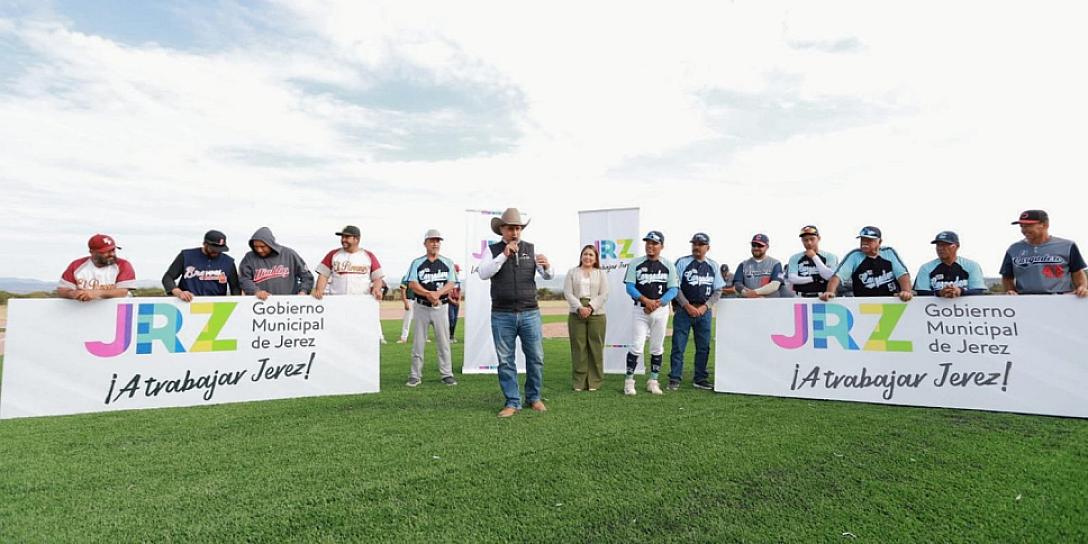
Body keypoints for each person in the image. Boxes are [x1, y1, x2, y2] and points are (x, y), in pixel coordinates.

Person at [477, 208, 553, 417]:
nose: (515, 232)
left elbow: (547, 276)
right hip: (502, 314)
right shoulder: (492, 251)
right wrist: (503, 255)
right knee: (505, 360)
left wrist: (548, 267)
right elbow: (484, 273)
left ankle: (534, 397)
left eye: (518, 228)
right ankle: (512, 401)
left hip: (530, 312)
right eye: (510, 228)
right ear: (502, 229)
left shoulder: (531, 248)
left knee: (536, 357)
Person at [623, 230, 679, 396]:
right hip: (641, 309)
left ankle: (653, 381)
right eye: (648, 242)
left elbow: (674, 289)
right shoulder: (636, 263)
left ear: (662, 246)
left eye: (654, 243)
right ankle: (629, 380)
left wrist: (658, 303)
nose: (650, 246)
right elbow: (629, 286)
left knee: (657, 347)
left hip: (660, 310)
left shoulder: (668, 265)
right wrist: (646, 301)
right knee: (637, 345)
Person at [668, 233, 724, 391]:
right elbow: (675, 286)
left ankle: (700, 378)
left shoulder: (713, 265)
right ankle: (674, 378)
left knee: (704, 346)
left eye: (700, 244)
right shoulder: (682, 262)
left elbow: (718, 290)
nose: (696, 247)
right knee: (678, 345)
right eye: (694, 243)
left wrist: (705, 307)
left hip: (704, 311)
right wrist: (686, 305)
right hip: (684, 310)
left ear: (708, 247)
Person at [312, 225, 387, 343]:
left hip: (361, 302)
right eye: (342, 237)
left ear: (356, 239)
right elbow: (323, 275)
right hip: (337, 302)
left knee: (361, 337)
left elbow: (377, 278)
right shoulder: (333, 254)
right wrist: (319, 290)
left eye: (347, 237)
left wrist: (377, 289)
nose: (343, 240)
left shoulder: (368, 256)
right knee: (337, 336)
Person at [404, 229, 459, 387]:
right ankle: (415, 375)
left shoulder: (447, 262)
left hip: (441, 306)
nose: (435, 243)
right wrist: (429, 294)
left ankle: (447, 374)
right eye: (432, 240)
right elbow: (413, 284)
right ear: (425, 243)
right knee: (418, 343)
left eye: (437, 241)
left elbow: (451, 283)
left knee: (444, 343)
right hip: (422, 306)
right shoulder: (417, 262)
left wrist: (438, 293)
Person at [1001, 210, 1088, 296]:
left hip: (1060, 300)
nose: (1024, 230)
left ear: (1045, 225)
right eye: (1022, 226)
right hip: (1026, 300)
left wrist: (1082, 287)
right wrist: (1011, 291)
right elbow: (1007, 277)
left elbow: (1077, 273)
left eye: (1029, 226)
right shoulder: (1013, 249)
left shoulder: (1067, 246)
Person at [821, 226, 912, 301]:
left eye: (869, 240)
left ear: (879, 242)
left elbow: (903, 275)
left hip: (891, 302)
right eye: (863, 239)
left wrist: (906, 291)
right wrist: (830, 292)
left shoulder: (889, 252)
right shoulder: (854, 256)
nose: (864, 243)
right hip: (864, 304)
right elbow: (837, 277)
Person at [563, 244, 609, 392]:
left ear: (595, 259)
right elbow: (568, 293)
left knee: (596, 348)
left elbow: (604, 294)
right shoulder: (572, 272)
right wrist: (579, 307)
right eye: (585, 254)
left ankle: (594, 382)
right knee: (579, 348)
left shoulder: (600, 273)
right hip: (576, 312)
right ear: (581, 256)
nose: (587, 257)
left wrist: (590, 307)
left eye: (591, 255)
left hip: (597, 313)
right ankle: (579, 382)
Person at [161, 229, 240, 301]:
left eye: (220, 250)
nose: (216, 252)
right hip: (188, 304)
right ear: (205, 244)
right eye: (213, 249)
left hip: (217, 307)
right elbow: (168, 277)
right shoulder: (186, 256)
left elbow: (235, 288)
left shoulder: (229, 262)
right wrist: (179, 292)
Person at [239, 227, 314, 299]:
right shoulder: (249, 257)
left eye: (262, 246)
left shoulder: (289, 254)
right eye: (256, 246)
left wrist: (303, 291)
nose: (259, 250)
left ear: (270, 244)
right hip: (260, 305)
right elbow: (244, 279)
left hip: (289, 306)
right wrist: (256, 291)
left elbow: (307, 277)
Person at [58, 234, 137, 301]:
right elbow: (62, 291)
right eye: (105, 252)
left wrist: (97, 293)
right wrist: (74, 294)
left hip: (118, 311)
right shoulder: (76, 265)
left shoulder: (123, 265)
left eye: (113, 250)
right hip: (86, 311)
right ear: (92, 252)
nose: (111, 254)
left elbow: (122, 292)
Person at [914, 231, 986, 297]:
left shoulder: (972, 266)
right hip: (933, 309)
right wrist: (939, 293)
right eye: (938, 245)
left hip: (966, 309)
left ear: (957, 246)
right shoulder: (926, 268)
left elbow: (978, 291)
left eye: (945, 245)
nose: (941, 248)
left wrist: (960, 291)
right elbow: (921, 292)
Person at [786, 225, 839, 298]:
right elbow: (793, 278)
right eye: (805, 240)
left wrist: (814, 257)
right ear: (802, 241)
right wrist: (815, 278)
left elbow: (829, 276)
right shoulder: (795, 258)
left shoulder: (830, 256)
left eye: (812, 239)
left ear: (819, 238)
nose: (809, 242)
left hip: (822, 297)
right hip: (800, 297)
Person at [733, 234, 784, 298]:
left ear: (767, 247)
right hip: (748, 303)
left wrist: (755, 293)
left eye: (760, 245)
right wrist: (747, 294)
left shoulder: (776, 263)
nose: (756, 248)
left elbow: (775, 285)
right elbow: (737, 284)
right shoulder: (743, 265)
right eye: (754, 245)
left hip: (771, 303)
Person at [396, 274, 414, 344]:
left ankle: (423, 337)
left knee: (421, 320)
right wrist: (405, 302)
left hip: (419, 301)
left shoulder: (419, 275)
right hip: (410, 300)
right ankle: (404, 338)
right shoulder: (407, 277)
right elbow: (403, 290)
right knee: (407, 320)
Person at [448, 264, 462, 343]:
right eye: (457, 271)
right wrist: (453, 302)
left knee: (455, 319)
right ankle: (449, 336)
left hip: (456, 302)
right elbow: (447, 294)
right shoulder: (449, 281)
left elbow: (459, 291)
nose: (458, 273)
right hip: (450, 302)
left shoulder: (458, 281)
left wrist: (458, 301)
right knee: (451, 318)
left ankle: (452, 336)